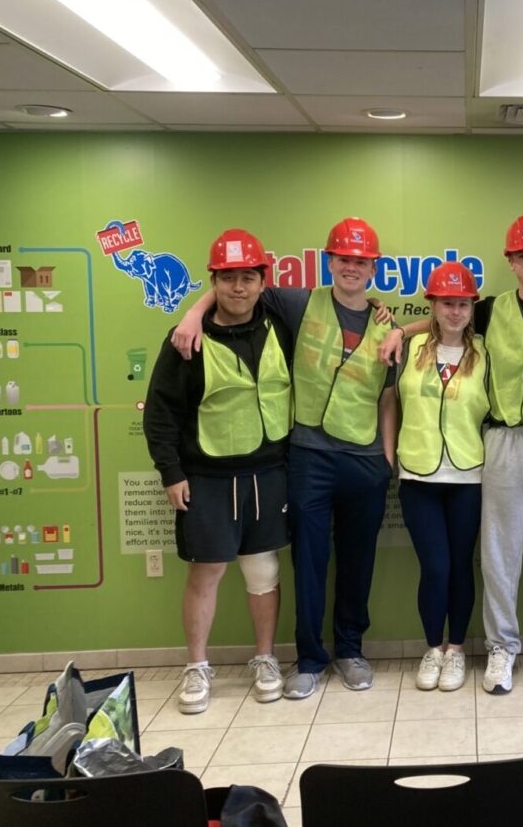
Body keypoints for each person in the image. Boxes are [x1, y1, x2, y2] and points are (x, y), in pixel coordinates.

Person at [174, 218, 396, 699]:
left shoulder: (388, 326)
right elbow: (236, 287)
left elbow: (387, 397)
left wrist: (387, 457)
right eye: (344, 259)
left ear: (373, 267)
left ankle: (351, 650)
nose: (352, 268)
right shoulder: (297, 302)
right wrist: (192, 315)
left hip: (364, 460)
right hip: (308, 457)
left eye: (361, 261)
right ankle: (311, 659)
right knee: (310, 561)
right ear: (330, 261)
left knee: (359, 559)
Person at [381, 214, 523, 694]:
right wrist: (400, 331)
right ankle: (502, 646)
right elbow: (444, 318)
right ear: (511, 262)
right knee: (500, 554)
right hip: (501, 443)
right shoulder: (493, 309)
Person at [145, 229, 293, 713]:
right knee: (206, 572)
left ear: (261, 281)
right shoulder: (187, 340)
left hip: (268, 472)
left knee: (263, 571)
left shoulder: (280, 323)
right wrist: (170, 473)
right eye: (227, 278)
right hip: (205, 477)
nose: (237, 287)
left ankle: (265, 659)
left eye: (247, 277)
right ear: (214, 281)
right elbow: (160, 412)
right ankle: (196, 667)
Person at [396, 262, 489, 692]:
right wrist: (387, 454)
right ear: (432, 304)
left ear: (472, 307)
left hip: (468, 475)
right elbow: (386, 402)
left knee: (460, 568)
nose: (455, 312)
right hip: (417, 474)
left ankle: (456, 650)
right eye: (447, 303)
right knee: (435, 567)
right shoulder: (408, 349)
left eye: (463, 303)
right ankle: (432, 647)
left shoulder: (486, 352)